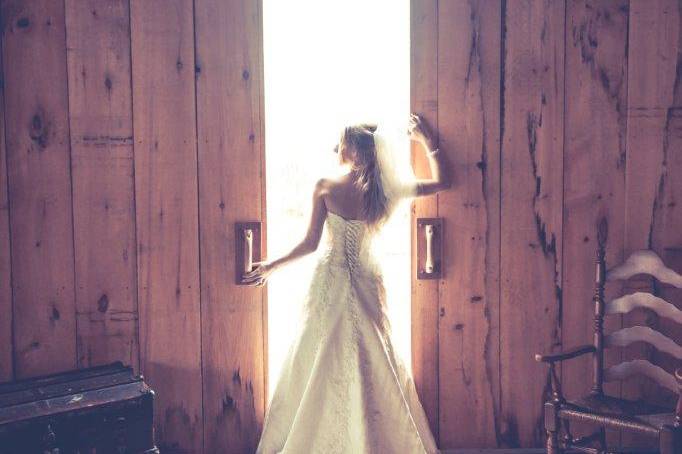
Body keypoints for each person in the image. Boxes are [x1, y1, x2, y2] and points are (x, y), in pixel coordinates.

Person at [245, 113, 451, 453]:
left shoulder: (326, 186)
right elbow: (443, 182)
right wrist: (428, 142)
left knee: (318, 354)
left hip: (331, 277)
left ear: (352, 150)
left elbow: (310, 243)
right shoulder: (386, 191)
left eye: (342, 142)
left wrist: (271, 266)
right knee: (370, 353)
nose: (337, 147)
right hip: (367, 281)